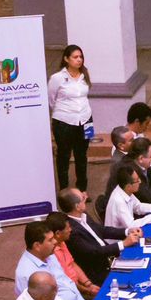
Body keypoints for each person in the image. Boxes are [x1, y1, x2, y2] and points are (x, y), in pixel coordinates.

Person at [58, 188, 140, 285]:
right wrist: (123, 244)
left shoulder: (83, 214)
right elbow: (93, 252)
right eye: (83, 198)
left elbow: (101, 230)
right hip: (99, 272)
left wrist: (127, 231)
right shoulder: (71, 230)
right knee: (137, 278)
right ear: (77, 206)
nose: (86, 197)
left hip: (110, 258)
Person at [47, 44, 93, 192]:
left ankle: (82, 189)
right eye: (75, 57)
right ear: (66, 59)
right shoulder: (57, 78)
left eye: (81, 57)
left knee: (82, 155)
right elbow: (51, 99)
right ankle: (64, 190)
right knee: (64, 156)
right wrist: (65, 111)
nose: (79, 60)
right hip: (64, 122)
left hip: (86, 119)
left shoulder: (84, 75)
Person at [13, 220, 84, 300]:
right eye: (50, 240)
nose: (55, 241)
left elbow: (66, 281)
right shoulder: (25, 274)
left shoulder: (49, 254)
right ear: (37, 246)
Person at [45, 211, 98, 299]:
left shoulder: (62, 242)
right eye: (68, 227)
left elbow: (72, 264)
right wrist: (87, 291)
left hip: (79, 287)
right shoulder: (52, 254)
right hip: (71, 292)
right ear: (58, 233)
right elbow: (67, 281)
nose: (71, 229)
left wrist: (88, 284)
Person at [105, 163, 151, 232]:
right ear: (128, 186)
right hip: (119, 237)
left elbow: (138, 207)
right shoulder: (118, 201)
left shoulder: (125, 190)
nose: (140, 182)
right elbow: (131, 225)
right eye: (137, 180)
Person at [102, 126, 133, 200]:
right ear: (121, 146)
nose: (135, 142)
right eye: (131, 140)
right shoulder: (120, 163)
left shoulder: (127, 152)